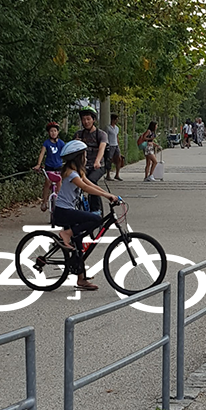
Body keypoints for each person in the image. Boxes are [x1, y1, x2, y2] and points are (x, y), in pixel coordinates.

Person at [52, 140, 121, 291]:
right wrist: (107, 196)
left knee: (79, 243)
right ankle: (66, 233)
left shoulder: (78, 172)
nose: (86, 157)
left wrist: (108, 195)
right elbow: (84, 188)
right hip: (63, 212)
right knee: (95, 219)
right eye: (84, 154)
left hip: (69, 210)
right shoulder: (71, 173)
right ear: (78, 157)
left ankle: (81, 279)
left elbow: (90, 184)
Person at [74, 108, 108, 214]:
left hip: (98, 166)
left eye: (88, 119)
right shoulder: (78, 135)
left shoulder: (101, 134)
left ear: (93, 120)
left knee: (92, 180)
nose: (86, 122)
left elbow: (102, 148)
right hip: (82, 166)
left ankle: (96, 209)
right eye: (83, 119)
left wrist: (97, 161)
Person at [33, 122, 64, 209]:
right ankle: (44, 201)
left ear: (58, 132)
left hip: (58, 166)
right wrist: (39, 164)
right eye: (51, 131)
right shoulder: (46, 143)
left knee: (59, 183)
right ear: (48, 133)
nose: (53, 133)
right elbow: (42, 153)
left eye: (55, 131)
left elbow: (66, 152)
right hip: (49, 166)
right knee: (47, 183)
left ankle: (60, 201)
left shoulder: (61, 143)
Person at [104, 114, 123, 181]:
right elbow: (105, 136)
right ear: (113, 119)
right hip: (110, 145)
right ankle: (108, 175)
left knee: (119, 159)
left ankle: (117, 174)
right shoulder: (108, 128)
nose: (117, 120)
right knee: (109, 159)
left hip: (116, 145)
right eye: (116, 119)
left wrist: (118, 145)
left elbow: (117, 137)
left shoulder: (117, 128)